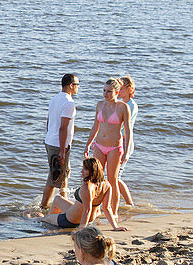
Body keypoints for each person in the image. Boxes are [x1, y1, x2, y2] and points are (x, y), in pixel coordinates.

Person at [82, 78, 133, 220]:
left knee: (112, 179)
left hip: (114, 148)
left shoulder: (123, 107)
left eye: (109, 91)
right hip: (98, 145)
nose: (105, 94)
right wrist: (87, 144)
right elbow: (95, 127)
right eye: (104, 90)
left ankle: (113, 212)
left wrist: (126, 152)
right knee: (95, 178)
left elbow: (128, 131)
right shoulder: (99, 105)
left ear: (116, 92)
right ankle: (95, 209)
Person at [35, 157, 125, 231]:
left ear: (93, 171)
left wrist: (82, 228)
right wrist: (115, 227)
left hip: (70, 220)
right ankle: (51, 217)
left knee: (42, 219)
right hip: (83, 216)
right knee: (57, 199)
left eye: (85, 169)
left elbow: (87, 210)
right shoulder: (106, 185)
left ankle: (38, 217)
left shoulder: (88, 187)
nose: (81, 171)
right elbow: (107, 208)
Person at [41, 74, 79, 209]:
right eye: (77, 85)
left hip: (50, 141)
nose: (78, 88)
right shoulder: (69, 103)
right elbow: (63, 128)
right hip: (58, 144)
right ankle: (43, 207)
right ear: (71, 86)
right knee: (54, 178)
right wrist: (62, 151)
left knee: (64, 174)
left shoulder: (55, 99)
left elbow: (48, 122)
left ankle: (64, 203)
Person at [116, 76, 138, 207]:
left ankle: (129, 203)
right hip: (118, 141)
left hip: (125, 142)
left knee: (116, 177)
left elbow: (125, 126)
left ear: (129, 89)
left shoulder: (131, 106)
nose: (118, 91)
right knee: (114, 177)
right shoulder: (121, 104)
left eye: (122, 89)